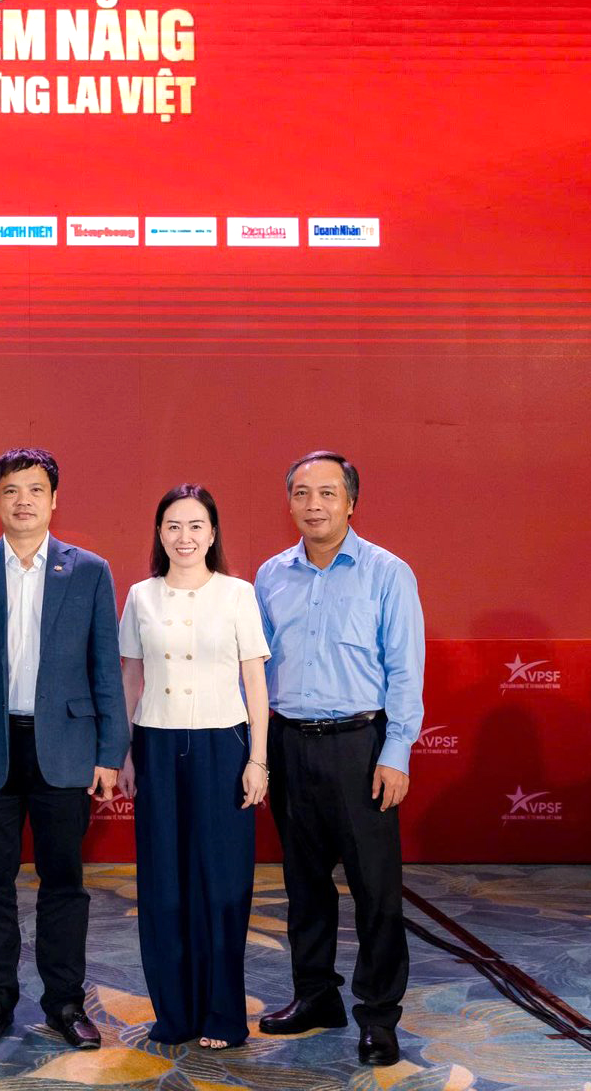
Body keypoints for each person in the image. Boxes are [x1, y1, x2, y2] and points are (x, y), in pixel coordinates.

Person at [253, 452, 424, 1067]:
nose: (314, 504)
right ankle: (315, 996)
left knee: (375, 891)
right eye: (302, 493)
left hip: (361, 746)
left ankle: (378, 1015)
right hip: (289, 744)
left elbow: (405, 670)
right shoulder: (269, 576)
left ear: (351, 502)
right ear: (289, 503)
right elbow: (255, 672)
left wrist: (396, 752)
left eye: (327, 493)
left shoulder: (388, 573)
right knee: (303, 885)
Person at [0, 448, 126, 1049]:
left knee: (64, 882)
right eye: (11, 490)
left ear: (54, 500)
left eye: (35, 490)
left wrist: (110, 753)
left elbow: (105, 665)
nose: (23, 500)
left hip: (66, 746)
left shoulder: (89, 571)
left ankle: (65, 1002)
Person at [117, 484, 270, 1049]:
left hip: (222, 745)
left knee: (222, 885)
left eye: (196, 525)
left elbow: (255, 682)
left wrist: (258, 759)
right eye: (173, 526)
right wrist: (124, 752)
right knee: (162, 886)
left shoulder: (237, 594)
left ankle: (223, 1015)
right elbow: (131, 677)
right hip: (156, 745)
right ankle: (175, 1014)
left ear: (212, 534)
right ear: (160, 534)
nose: (184, 537)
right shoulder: (141, 596)